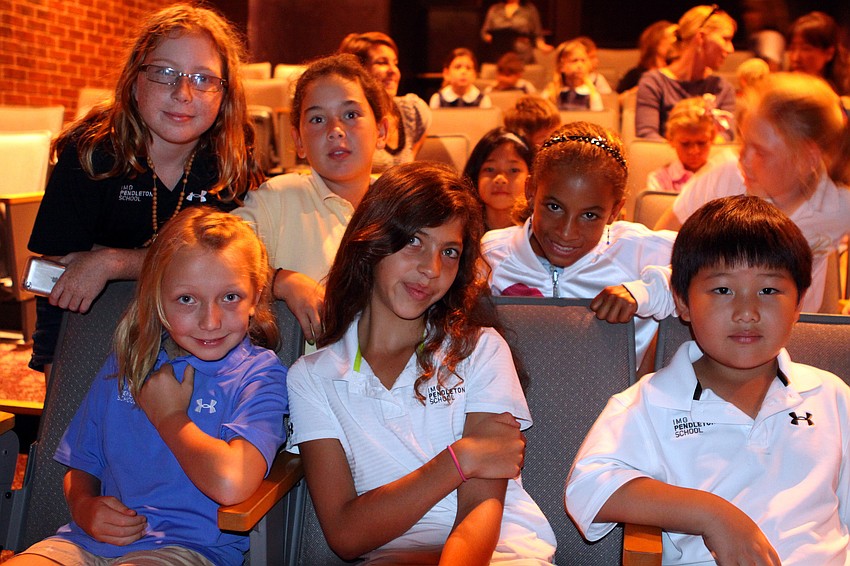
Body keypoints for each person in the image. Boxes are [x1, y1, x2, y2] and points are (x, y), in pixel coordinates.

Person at [286, 161, 557, 564]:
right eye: (414, 241)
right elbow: (345, 534)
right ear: (372, 241)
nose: (432, 269)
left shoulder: (480, 350)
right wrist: (460, 459)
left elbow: (479, 512)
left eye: (449, 252)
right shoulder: (312, 377)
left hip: (501, 554)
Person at [566, 194, 850, 565]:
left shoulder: (831, 395)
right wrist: (712, 514)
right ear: (682, 302)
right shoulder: (649, 401)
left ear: (799, 304)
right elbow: (588, 488)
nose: (746, 312)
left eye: (768, 290)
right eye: (722, 290)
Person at [10, 207, 288, 566]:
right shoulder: (129, 360)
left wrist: (170, 416)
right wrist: (84, 507)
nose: (210, 321)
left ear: (256, 295)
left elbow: (231, 484)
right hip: (85, 543)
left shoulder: (259, 375)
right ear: (157, 297)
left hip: (187, 548)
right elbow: (83, 462)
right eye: (186, 299)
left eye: (230, 297)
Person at [26, 4, 263, 377]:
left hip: (202, 329)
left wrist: (112, 261)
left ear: (224, 94)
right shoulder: (90, 152)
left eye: (203, 78)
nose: (183, 93)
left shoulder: (230, 159)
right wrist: (56, 373)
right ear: (134, 82)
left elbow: (234, 266)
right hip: (95, 322)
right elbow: (62, 273)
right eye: (165, 73)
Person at [481, 122, 676, 369]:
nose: (566, 232)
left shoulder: (635, 250)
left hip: (619, 394)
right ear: (531, 192)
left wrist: (648, 291)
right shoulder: (492, 255)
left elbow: (718, 260)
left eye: (589, 215)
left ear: (615, 210)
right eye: (554, 207)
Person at [655, 73, 850, 313]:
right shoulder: (723, 176)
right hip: (713, 323)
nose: (743, 159)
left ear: (808, 158)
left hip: (796, 329)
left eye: (759, 151)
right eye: (743, 143)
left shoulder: (839, 202)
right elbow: (660, 245)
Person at [234, 54, 388, 342]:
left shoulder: (403, 204)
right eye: (317, 119)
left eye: (351, 115)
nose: (335, 131)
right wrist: (280, 280)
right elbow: (214, 258)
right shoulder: (276, 200)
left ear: (381, 131)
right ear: (298, 141)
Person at [636, 5, 737, 140]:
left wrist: (697, 151)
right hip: (664, 154)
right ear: (701, 37)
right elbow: (647, 135)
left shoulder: (723, 88)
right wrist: (683, 150)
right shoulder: (654, 82)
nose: (730, 49)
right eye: (725, 39)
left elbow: (726, 136)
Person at [338, 31, 432, 173]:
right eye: (382, 62)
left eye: (395, 63)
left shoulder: (412, 111)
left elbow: (408, 169)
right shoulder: (345, 117)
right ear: (357, 70)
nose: (393, 71)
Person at [463, 127, 533, 231]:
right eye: (490, 169)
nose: (500, 179)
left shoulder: (539, 233)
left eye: (513, 170)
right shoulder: (460, 230)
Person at [647, 96, 717, 193]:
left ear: (712, 137)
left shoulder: (723, 176)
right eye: (685, 143)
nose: (694, 151)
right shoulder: (659, 180)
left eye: (702, 142)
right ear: (670, 139)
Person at [787, 11, 850, 98]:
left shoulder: (841, 98)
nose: (795, 58)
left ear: (829, 53)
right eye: (791, 49)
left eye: (806, 49)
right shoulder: (783, 93)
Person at [480, 0, 553, 64]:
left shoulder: (529, 9)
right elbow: (485, 33)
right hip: (499, 55)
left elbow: (537, 33)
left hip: (522, 54)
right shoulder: (495, 9)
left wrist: (541, 45)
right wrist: (495, 39)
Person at [617, 20, 676, 94]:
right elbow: (617, 98)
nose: (674, 44)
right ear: (655, 42)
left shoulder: (677, 73)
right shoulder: (634, 75)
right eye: (668, 39)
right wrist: (641, 89)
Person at [543, 40, 604, 111]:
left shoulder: (592, 95)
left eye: (583, 60)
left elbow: (598, 116)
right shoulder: (550, 94)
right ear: (561, 66)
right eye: (574, 60)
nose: (580, 65)